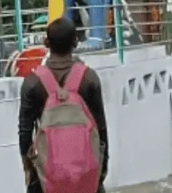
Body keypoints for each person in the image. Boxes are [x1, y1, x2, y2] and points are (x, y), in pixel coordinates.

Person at [18, 17, 108, 192]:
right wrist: (102, 170)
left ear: (46, 42)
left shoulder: (32, 83)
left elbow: (25, 132)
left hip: (46, 174)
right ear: (75, 42)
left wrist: (30, 169)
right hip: (86, 172)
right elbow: (101, 128)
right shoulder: (89, 79)